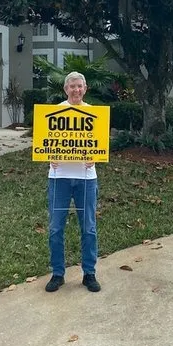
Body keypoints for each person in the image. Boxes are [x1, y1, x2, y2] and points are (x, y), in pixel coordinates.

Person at [44, 71, 100, 293]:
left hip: (86, 178)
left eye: (79, 86)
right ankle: (58, 273)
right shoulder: (55, 112)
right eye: (72, 86)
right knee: (56, 228)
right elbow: (45, 143)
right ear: (65, 89)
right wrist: (50, 156)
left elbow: (99, 145)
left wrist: (95, 157)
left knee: (89, 228)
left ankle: (89, 273)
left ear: (85, 89)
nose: (76, 90)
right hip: (59, 178)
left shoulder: (94, 114)